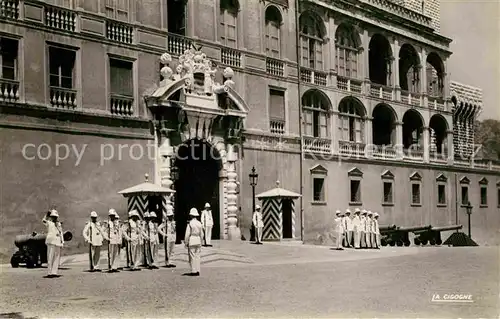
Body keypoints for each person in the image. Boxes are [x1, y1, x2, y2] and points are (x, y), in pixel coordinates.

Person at [42, 210, 64, 278]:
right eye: (53, 216)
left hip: (57, 241)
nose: (55, 218)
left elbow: (61, 233)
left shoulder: (58, 224)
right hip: (51, 242)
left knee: (56, 257)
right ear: (51, 217)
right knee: (50, 257)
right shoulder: (49, 223)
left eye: (56, 217)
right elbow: (43, 220)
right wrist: (47, 215)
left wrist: (62, 241)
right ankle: (49, 272)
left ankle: (54, 272)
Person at [184, 208, 204, 276]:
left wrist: (186, 242)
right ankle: (198, 270)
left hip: (192, 239)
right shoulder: (199, 223)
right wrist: (201, 241)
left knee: (192, 256)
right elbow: (202, 234)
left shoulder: (190, 223)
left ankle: (193, 270)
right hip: (198, 239)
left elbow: (187, 234)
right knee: (197, 256)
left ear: (191, 215)